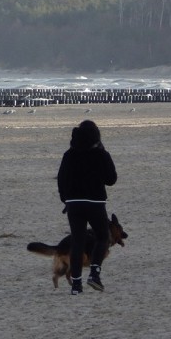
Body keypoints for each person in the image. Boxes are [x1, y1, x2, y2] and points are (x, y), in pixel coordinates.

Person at [56, 119, 117, 294]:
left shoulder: (69, 154)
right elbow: (111, 179)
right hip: (95, 202)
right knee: (102, 236)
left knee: (77, 241)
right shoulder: (100, 154)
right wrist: (103, 153)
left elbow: (61, 179)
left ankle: (76, 285)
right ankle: (94, 272)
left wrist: (65, 199)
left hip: (74, 203)